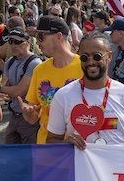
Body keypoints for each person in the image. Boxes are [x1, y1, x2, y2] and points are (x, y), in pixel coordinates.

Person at [46, 37, 124, 148]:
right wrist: (66, 144)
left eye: (97, 56)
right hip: (80, 165)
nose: (91, 62)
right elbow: (51, 142)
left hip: (118, 165)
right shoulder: (63, 96)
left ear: (109, 56)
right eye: (84, 57)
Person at [22, 16, 82, 144]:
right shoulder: (39, 70)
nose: (37, 42)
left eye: (41, 37)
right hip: (47, 147)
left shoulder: (84, 67)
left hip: (79, 148)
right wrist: (29, 115)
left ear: (59, 36)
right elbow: (34, 116)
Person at [0, 28, 41, 144]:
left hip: (29, 118)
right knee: (9, 151)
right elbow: (6, 89)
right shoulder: (10, 62)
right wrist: (6, 90)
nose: (13, 45)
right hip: (14, 115)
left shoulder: (34, 63)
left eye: (17, 42)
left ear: (27, 43)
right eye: (10, 41)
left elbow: (18, 91)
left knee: (29, 155)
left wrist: (3, 89)